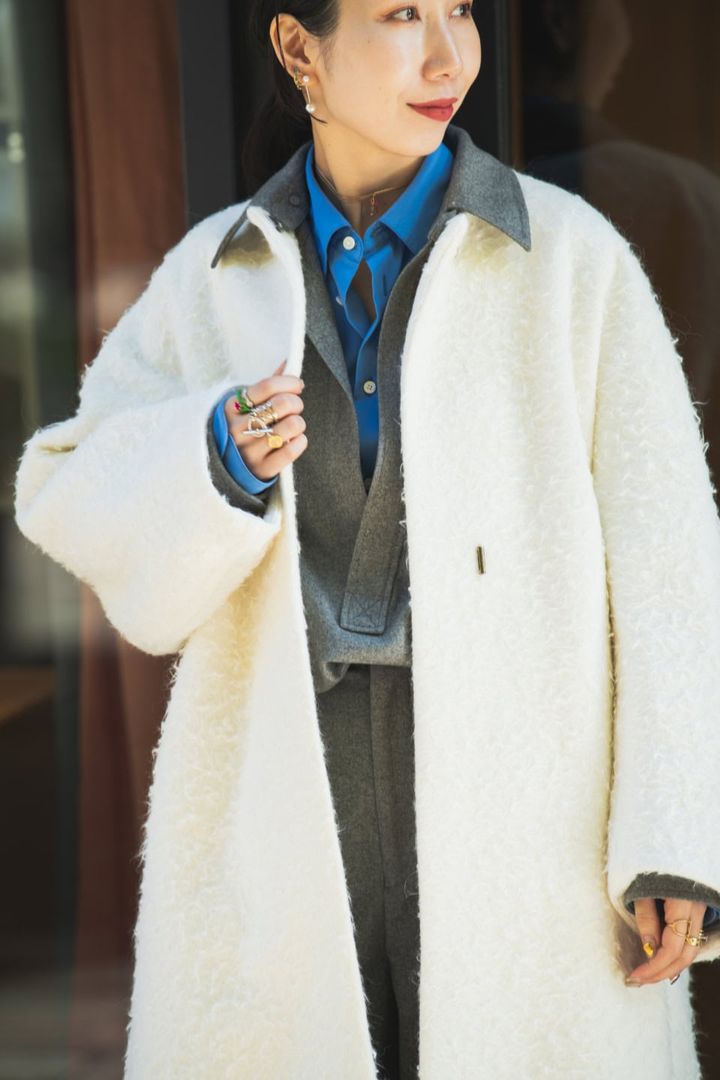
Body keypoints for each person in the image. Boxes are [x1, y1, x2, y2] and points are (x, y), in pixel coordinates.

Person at [13, 0, 720, 1076]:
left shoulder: (573, 262)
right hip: (287, 826)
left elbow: (673, 562)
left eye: (460, 11)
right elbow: (67, 489)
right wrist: (212, 458)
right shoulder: (215, 273)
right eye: (401, 14)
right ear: (300, 48)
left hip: (530, 827)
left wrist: (677, 834)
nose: (448, 55)